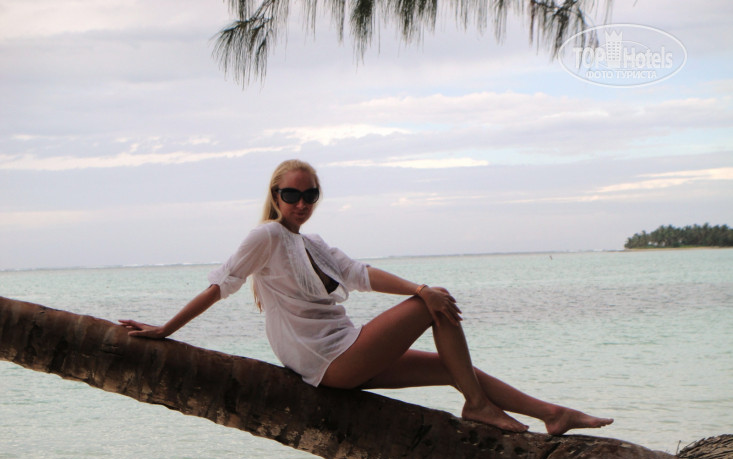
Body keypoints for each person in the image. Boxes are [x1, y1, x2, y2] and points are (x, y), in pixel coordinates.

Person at [119, 159, 613, 435]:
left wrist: (416, 286)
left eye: (310, 195)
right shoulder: (266, 236)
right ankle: (478, 406)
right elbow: (220, 284)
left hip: (348, 349)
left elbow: (359, 273)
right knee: (432, 303)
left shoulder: (313, 244)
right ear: (275, 195)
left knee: (454, 365)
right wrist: (165, 329)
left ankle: (550, 413)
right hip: (327, 360)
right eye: (291, 195)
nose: (301, 204)